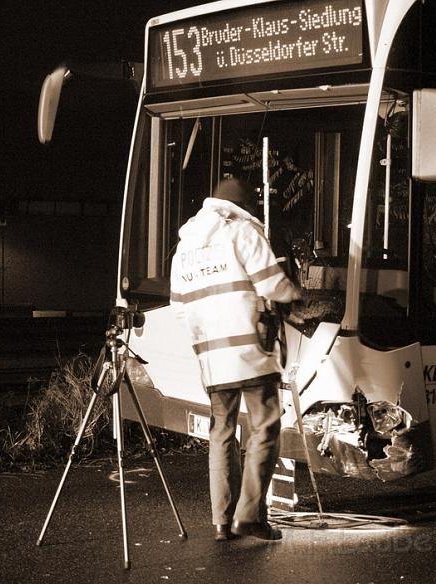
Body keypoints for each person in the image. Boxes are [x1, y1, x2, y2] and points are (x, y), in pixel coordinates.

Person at [169, 177, 301, 541]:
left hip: (211, 358)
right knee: (265, 427)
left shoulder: (184, 248)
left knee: (221, 432)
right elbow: (273, 284)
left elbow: (179, 308)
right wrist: (298, 293)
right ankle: (250, 516)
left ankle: (221, 522)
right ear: (243, 206)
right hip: (251, 352)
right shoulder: (240, 231)